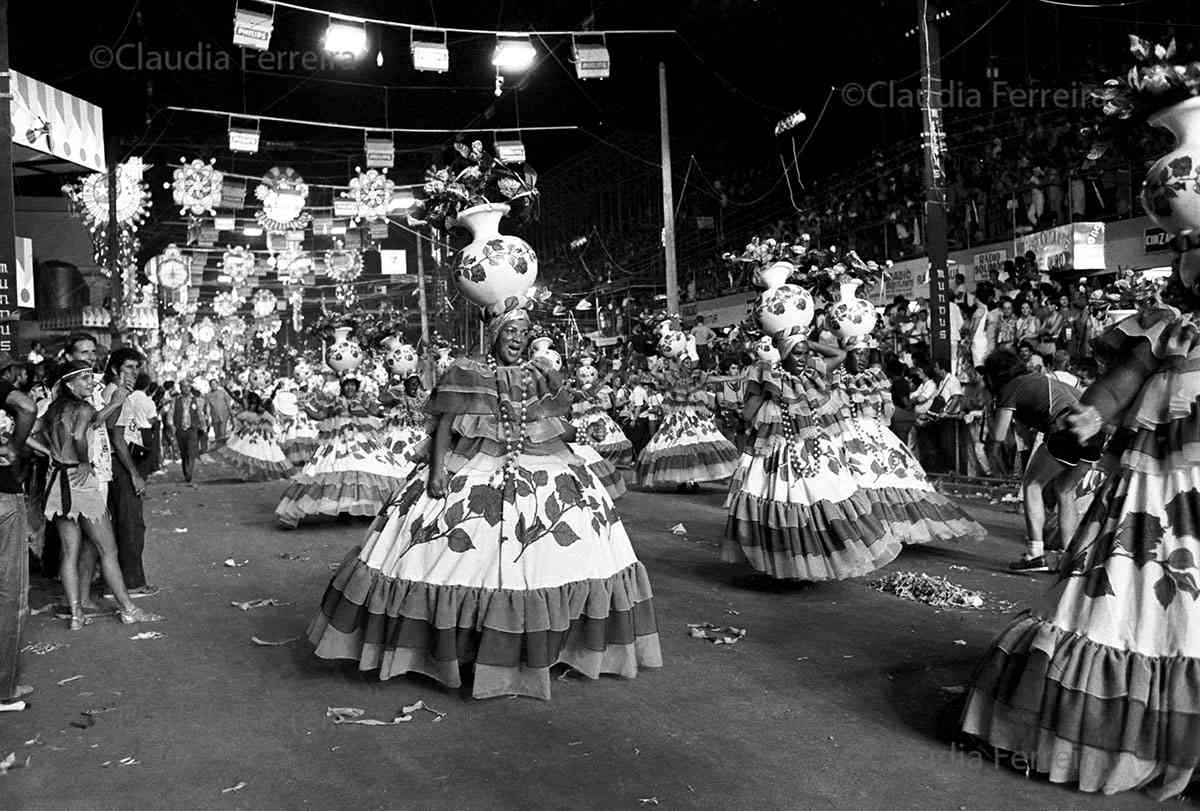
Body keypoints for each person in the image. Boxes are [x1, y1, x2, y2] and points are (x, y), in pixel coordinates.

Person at [308, 300, 662, 699]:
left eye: (524, 332)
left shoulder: (539, 372)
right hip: (470, 468)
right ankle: (463, 648)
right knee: (451, 556)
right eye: (511, 331)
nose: (519, 339)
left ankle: (551, 646)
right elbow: (443, 424)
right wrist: (438, 473)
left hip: (537, 467)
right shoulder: (467, 370)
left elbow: (556, 422)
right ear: (494, 333)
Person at [959, 272, 1200, 799]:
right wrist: (1091, 413)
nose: (1188, 251)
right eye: (1181, 239)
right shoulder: (1167, 325)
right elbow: (1120, 384)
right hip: (1154, 481)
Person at [722, 325, 899, 581]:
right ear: (783, 354)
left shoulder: (812, 374)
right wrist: (748, 412)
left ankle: (813, 564)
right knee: (785, 500)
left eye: (805, 353)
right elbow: (749, 413)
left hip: (814, 450)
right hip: (777, 450)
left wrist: (804, 339)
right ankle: (789, 566)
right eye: (796, 354)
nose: (802, 358)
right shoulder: (768, 374)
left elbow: (838, 355)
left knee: (822, 498)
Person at [32, 361, 161, 632]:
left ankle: (76, 615)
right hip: (81, 483)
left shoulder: (53, 410)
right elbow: (81, 433)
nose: (91, 382)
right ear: (69, 384)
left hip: (57, 483)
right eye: (84, 379)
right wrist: (83, 461)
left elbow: (29, 435)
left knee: (70, 552)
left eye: (91, 377)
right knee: (109, 551)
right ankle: (129, 609)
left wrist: (50, 454)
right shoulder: (83, 408)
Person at [981, 347, 1093, 572]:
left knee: (1032, 485)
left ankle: (1035, 554)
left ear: (995, 375)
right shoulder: (1040, 379)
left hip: (1065, 430)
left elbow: (999, 435)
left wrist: (988, 406)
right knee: (1064, 490)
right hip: (1093, 432)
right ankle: (1068, 555)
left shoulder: (1011, 388)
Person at [275, 375, 408, 528]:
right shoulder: (333, 401)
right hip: (337, 441)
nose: (350, 388)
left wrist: (393, 408)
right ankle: (344, 511)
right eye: (347, 385)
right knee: (336, 471)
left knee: (364, 469)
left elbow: (377, 411)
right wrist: (305, 408)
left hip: (362, 439)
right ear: (342, 386)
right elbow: (320, 416)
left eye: (352, 385)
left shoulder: (364, 399)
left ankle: (358, 510)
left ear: (357, 387)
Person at [0, 352, 37, 712]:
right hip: (2, 496)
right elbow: (26, 407)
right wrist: (14, 445)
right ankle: (2, 690)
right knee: (9, 593)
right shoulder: (5, 391)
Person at [212, 392, 291, 481]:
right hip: (259, 435)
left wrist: (251, 423)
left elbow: (239, 417)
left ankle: (252, 475)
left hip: (253, 435)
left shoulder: (249, 413)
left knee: (252, 455)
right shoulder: (260, 412)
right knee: (261, 456)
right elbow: (272, 421)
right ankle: (254, 475)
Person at [168, 379, 207, 484]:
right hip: (180, 430)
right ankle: (186, 471)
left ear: (190, 388)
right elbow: (170, 414)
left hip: (192, 429)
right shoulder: (175, 400)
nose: (186, 388)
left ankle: (189, 472)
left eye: (188, 386)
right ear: (180, 388)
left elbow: (200, 414)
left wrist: (203, 426)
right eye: (183, 386)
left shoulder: (196, 400)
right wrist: (171, 425)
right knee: (184, 452)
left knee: (191, 451)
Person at [205, 378, 234, 450]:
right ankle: (218, 449)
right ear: (210, 386)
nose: (213, 385)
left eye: (214, 384)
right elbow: (208, 406)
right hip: (214, 416)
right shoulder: (208, 395)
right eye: (211, 384)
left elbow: (228, 403)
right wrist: (208, 417)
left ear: (217, 384)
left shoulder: (222, 392)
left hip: (223, 415)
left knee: (222, 433)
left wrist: (231, 414)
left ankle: (223, 449)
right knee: (217, 434)